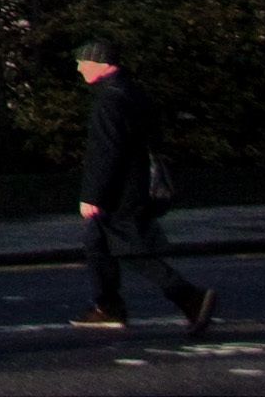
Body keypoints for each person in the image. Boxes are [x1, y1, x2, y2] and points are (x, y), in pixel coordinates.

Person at [74, 36, 216, 336]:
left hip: (121, 192)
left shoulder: (110, 100)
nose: (79, 69)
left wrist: (92, 196)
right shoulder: (131, 92)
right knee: (96, 243)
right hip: (136, 186)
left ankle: (190, 297)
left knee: (129, 250)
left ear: (102, 65)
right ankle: (107, 307)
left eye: (83, 63)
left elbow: (107, 152)